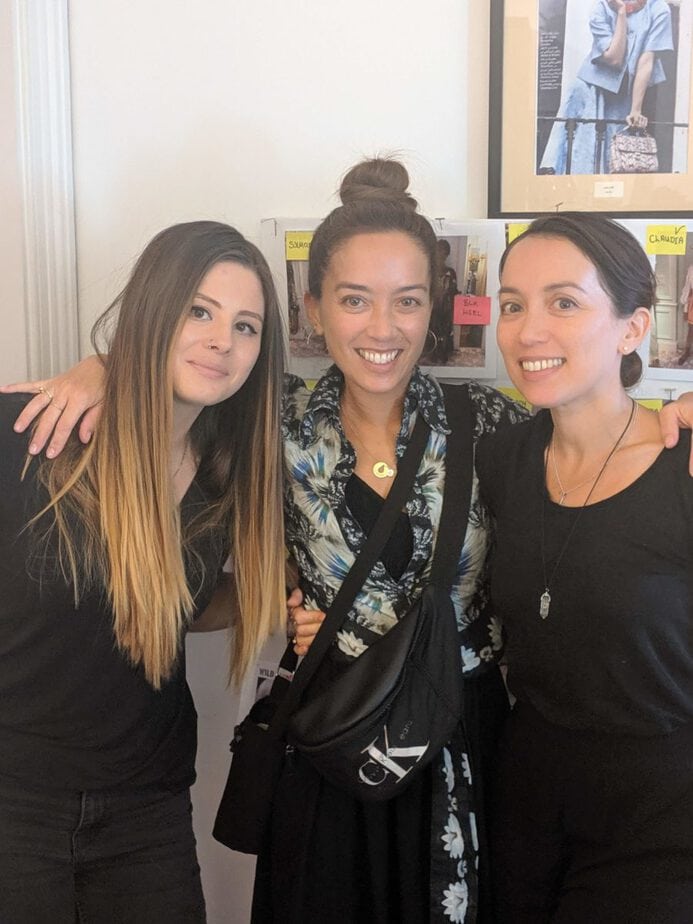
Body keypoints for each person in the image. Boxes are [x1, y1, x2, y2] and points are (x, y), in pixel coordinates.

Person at [6, 166, 693, 924]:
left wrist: (679, 410)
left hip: (466, 746)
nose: (381, 328)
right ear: (314, 310)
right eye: (354, 299)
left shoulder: (494, 426)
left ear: (432, 309)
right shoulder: (270, 430)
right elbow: (177, 392)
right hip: (329, 744)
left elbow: (595, 452)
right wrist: (101, 368)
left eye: (407, 301)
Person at [0, 220, 302, 923]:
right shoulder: (32, 433)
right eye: (198, 311)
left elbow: (176, 605)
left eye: (246, 326)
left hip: (146, 813)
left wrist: (278, 595)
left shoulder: (226, 476)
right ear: (152, 309)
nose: (222, 341)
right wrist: (105, 365)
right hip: (15, 806)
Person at [476, 214, 693, 923]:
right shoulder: (501, 459)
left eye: (563, 302)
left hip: (660, 812)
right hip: (525, 795)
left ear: (633, 328)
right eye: (513, 305)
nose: (527, 331)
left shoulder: (683, 466)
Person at [539, 0, 673, 175]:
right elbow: (614, 58)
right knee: (581, 160)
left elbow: (647, 61)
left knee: (616, 161)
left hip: (623, 98)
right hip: (588, 93)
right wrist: (621, 13)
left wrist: (636, 109)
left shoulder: (659, 9)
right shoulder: (601, 8)